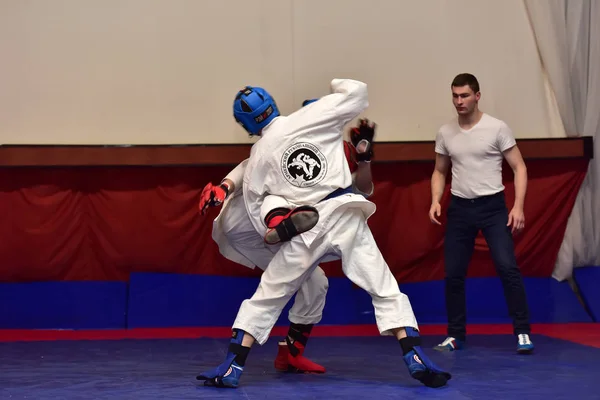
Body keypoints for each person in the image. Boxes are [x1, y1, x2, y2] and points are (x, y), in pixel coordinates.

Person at [196, 79, 451, 389]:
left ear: (246, 123)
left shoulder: (262, 151)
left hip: (306, 229)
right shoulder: (315, 117)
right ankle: (413, 353)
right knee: (381, 285)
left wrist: (266, 224)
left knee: (269, 293)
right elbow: (357, 92)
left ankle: (233, 364)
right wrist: (336, 84)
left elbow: (251, 198)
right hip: (344, 213)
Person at [198, 115, 374, 374]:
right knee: (278, 285)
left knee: (316, 283)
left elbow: (364, 188)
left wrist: (364, 159)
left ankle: (291, 354)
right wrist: (225, 186)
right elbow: (250, 165)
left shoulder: (340, 154)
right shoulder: (287, 143)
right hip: (246, 224)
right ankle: (233, 363)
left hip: (287, 234)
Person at [429, 73, 534, 354]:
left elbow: (519, 167)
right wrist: (435, 200)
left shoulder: (497, 128)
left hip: (492, 207)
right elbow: (440, 170)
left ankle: (523, 332)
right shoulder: (446, 132)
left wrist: (519, 206)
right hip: (460, 209)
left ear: (477, 96)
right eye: (455, 96)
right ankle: (455, 335)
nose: (459, 101)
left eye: (464, 95)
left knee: (507, 267)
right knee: (453, 273)